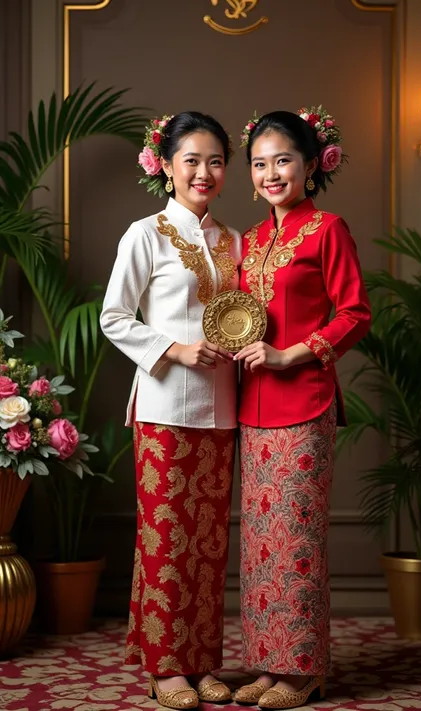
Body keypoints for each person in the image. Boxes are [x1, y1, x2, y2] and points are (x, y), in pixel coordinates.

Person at [100, 111, 241, 710]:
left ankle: (203, 658)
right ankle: (166, 666)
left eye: (215, 161)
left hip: (224, 409)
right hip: (163, 407)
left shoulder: (235, 242)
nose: (204, 172)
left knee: (209, 542)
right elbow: (114, 317)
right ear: (166, 165)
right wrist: (174, 348)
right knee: (165, 538)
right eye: (192, 160)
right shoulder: (146, 234)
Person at [233, 107, 371, 710]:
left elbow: (354, 314)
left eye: (283, 160)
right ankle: (268, 664)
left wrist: (293, 354)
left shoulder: (328, 229)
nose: (271, 173)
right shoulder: (253, 240)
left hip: (305, 401)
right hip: (251, 408)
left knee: (296, 540)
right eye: (260, 163)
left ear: (311, 166)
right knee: (260, 541)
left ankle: (304, 669)